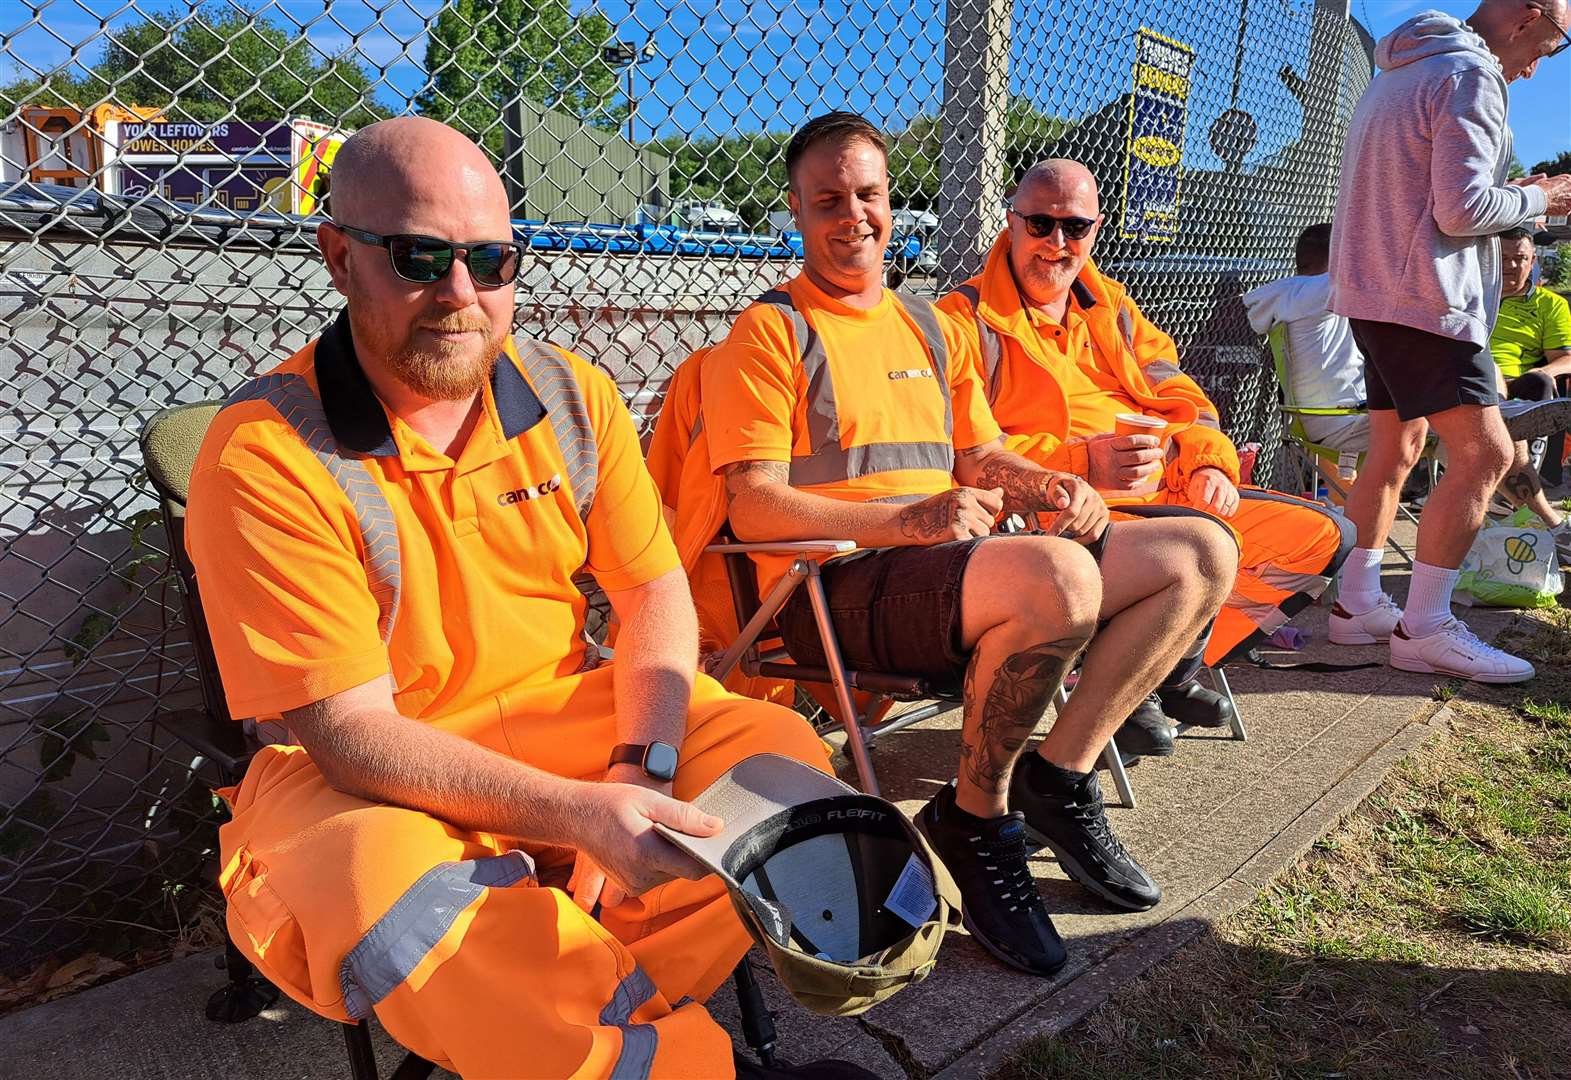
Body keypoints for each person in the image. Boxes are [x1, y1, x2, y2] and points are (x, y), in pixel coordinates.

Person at [184, 117, 867, 1080]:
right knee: (385, 885)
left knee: (777, 763)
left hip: (557, 722)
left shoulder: (572, 395)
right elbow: (345, 732)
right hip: (364, 772)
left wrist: (641, 767)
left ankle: (557, 1028)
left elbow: (654, 590)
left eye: (492, 260)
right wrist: (578, 816)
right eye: (420, 257)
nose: (461, 295)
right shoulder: (265, 451)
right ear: (340, 257)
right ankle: (671, 1062)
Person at [701, 112, 1238, 978]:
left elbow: (979, 453)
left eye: (868, 194)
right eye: (827, 199)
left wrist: (1048, 483)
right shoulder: (770, 332)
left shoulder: (924, 325)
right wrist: (911, 522)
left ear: (889, 200)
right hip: (829, 587)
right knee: (1058, 575)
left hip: (943, 569)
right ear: (797, 212)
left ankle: (1058, 778)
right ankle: (975, 818)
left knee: (1199, 555)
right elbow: (755, 506)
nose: (853, 216)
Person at [939, 161, 1350, 703]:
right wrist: (1085, 464)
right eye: (1040, 224)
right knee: (1197, 546)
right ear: (1012, 224)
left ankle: (1160, 671)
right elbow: (965, 456)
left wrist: (1204, 462)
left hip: (1165, 492)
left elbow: (1181, 394)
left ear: (1096, 229)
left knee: (1323, 535)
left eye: (1075, 227)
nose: (1057, 242)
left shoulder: (1112, 306)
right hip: (1059, 515)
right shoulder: (961, 320)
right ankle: (1131, 684)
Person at [1327, 0, 1571, 682]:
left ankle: (1354, 606)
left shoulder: (1404, 66)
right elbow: (1460, 210)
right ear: (1527, 17)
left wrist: (1510, 193)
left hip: (1370, 293)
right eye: (1547, 49)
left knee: (1396, 446)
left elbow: (1433, 192)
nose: (1531, 71)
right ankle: (1425, 627)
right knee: (1485, 455)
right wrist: (1542, 201)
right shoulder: (1471, 74)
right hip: (1424, 299)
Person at [1247, 223, 1571, 572]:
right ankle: (1547, 524)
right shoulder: (1333, 290)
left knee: (1482, 441)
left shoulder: (1286, 295)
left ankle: (1517, 508)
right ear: (1342, 257)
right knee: (1486, 439)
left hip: (1320, 417)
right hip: (1352, 418)